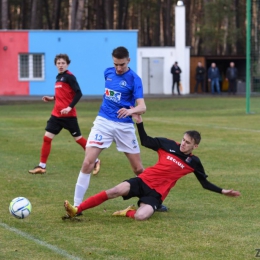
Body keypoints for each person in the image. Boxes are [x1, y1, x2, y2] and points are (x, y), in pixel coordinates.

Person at [64, 113, 241, 221]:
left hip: (156, 194)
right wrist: (139, 123)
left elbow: (204, 183)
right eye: (183, 140)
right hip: (143, 180)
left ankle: (126, 212)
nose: (183, 144)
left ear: (195, 146)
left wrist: (223, 191)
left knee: (141, 216)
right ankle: (77, 209)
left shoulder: (194, 162)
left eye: (187, 143)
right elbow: (146, 141)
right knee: (114, 191)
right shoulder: (168, 144)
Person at [71, 46, 166, 213]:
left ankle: (153, 199)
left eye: (121, 64)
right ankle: (76, 206)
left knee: (138, 169)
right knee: (88, 162)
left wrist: (130, 111)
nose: (118, 68)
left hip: (124, 126)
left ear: (128, 60)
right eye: (116, 64)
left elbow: (142, 107)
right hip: (104, 122)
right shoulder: (107, 72)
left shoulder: (134, 79)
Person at [28, 54, 100, 175]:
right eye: (58, 63)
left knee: (78, 139)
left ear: (67, 64)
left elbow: (78, 93)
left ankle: (96, 160)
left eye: (63, 63)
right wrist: (52, 98)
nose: (60, 65)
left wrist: (69, 107)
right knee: (47, 138)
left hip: (69, 116)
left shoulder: (70, 77)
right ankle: (42, 166)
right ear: (56, 65)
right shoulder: (59, 77)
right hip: (56, 115)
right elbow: (64, 94)